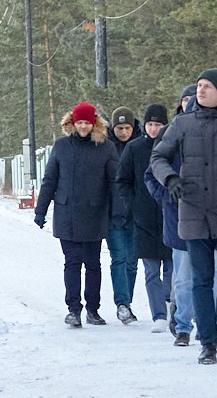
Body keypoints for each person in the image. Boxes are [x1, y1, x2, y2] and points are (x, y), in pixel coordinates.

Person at [149, 69, 217, 364]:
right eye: (199, 85)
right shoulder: (182, 124)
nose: (201, 90)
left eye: (208, 86)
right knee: (201, 280)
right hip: (194, 212)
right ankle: (207, 343)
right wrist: (170, 179)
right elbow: (158, 158)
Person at [34, 103, 117, 327]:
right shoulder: (61, 146)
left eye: (87, 123)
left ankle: (93, 309)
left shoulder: (106, 148)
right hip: (66, 213)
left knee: (92, 263)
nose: (83, 127)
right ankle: (73, 309)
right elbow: (49, 179)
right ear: (72, 123)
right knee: (72, 262)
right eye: (79, 123)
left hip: (94, 212)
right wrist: (40, 210)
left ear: (94, 124)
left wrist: (117, 211)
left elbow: (114, 183)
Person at [146, 92, 198, 346]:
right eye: (187, 100)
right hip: (178, 218)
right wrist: (166, 194)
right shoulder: (171, 133)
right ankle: (183, 324)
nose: (192, 105)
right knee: (184, 277)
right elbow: (151, 172)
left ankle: (213, 325)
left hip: (212, 217)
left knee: (214, 275)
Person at [125, 105, 173, 329]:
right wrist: (133, 204)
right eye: (150, 124)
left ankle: (171, 302)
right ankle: (159, 315)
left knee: (172, 267)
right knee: (151, 270)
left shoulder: (173, 146)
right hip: (143, 218)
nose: (154, 129)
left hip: (170, 215)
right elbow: (122, 180)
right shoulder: (134, 149)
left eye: (158, 124)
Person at [104, 110, 144, 323]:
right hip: (114, 214)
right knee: (118, 258)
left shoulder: (140, 145)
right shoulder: (106, 148)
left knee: (132, 261)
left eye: (127, 128)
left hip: (136, 213)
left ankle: (127, 301)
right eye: (119, 128)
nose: (123, 132)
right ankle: (122, 303)